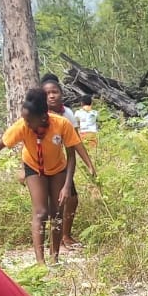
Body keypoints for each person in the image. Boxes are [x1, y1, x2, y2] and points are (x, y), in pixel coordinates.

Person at [0, 88, 78, 265]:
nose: (24, 122)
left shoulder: (62, 124)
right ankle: (41, 263)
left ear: (42, 117)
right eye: (23, 118)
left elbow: (71, 155)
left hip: (58, 168)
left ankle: (54, 257)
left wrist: (67, 186)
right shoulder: (22, 126)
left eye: (28, 119)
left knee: (57, 213)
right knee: (41, 212)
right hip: (33, 166)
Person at [40, 75, 98, 248]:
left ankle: (65, 236)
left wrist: (89, 164)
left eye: (55, 92)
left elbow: (75, 142)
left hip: (60, 164)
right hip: (38, 165)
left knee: (71, 198)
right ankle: (44, 244)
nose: (51, 96)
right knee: (44, 206)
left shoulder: (67, 114)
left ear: (61, 94)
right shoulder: (37, 114)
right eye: (47, 93)